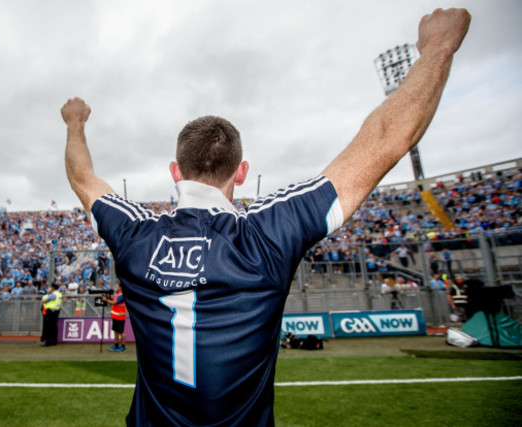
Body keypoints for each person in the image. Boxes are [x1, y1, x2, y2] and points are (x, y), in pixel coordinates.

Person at [61, 8, 470, 426]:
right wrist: (438, 47)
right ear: (241, 171)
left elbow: (82, 177)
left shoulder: (135, 234)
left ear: (175, 171)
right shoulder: (266, 234)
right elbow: (386, 139)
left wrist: (75, 122)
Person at [102, 281, 127, 352]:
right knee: (116, 331)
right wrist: (109, 296)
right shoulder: (117, 295)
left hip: (120, 317)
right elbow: (113, 301)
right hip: (115, 316)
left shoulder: (121, 296)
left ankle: (123, 346)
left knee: (121, 331)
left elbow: (114, 302)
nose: (116, 287)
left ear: (120, 288)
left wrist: (106, 300)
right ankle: (116, 344)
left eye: (117, 286)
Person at [40, 282, 62, 346]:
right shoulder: (59, 294)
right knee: (54, 326)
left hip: (50, 311)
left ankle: (48, 342)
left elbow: (44, 301)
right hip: (57, 311)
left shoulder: (53, 294)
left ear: (53, 288)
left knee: (48, 327)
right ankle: (54, 341)